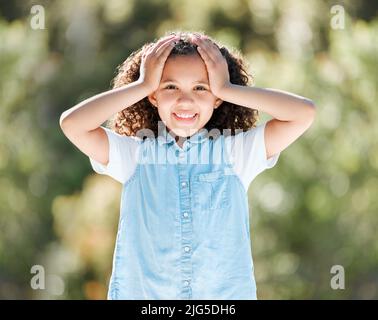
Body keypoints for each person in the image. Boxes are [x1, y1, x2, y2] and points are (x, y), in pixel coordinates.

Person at [59, 30, 316, 299]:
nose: (185, 100)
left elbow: (303, 114)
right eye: (170, 86)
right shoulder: (135, 155)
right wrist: (142, 86)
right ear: (153, 96)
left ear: (216, 98)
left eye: (201, 87)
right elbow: (73, 125)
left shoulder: (236, 154)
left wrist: (228, 89)